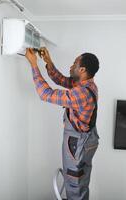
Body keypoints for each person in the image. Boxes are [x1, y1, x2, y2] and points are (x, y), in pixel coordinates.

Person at [25, 47, 100, 200]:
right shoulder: (86, 84)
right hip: (85, 141)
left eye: (74, 63)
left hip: (78, 143)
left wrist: (33, 65)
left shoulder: (82, 93)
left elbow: (45, 94)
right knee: (79, 181)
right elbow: (62, 80)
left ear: (82, 69)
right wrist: (48, 61)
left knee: (74, 183)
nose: (71, 66)